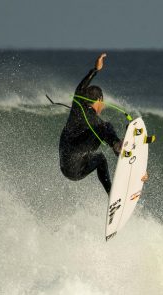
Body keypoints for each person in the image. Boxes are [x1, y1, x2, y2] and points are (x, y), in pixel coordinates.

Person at [58, 52, 123, 195]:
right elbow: (80, 90)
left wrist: (96, 70)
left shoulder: (77, 105)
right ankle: (117, 145)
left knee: (100, 159)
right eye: (103, 102)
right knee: (105, 127)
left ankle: (112, 194)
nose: (104, 106)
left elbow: (80, 89)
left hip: (67, 168)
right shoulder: (95, 121)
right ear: (99, 100)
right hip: (76, 166)